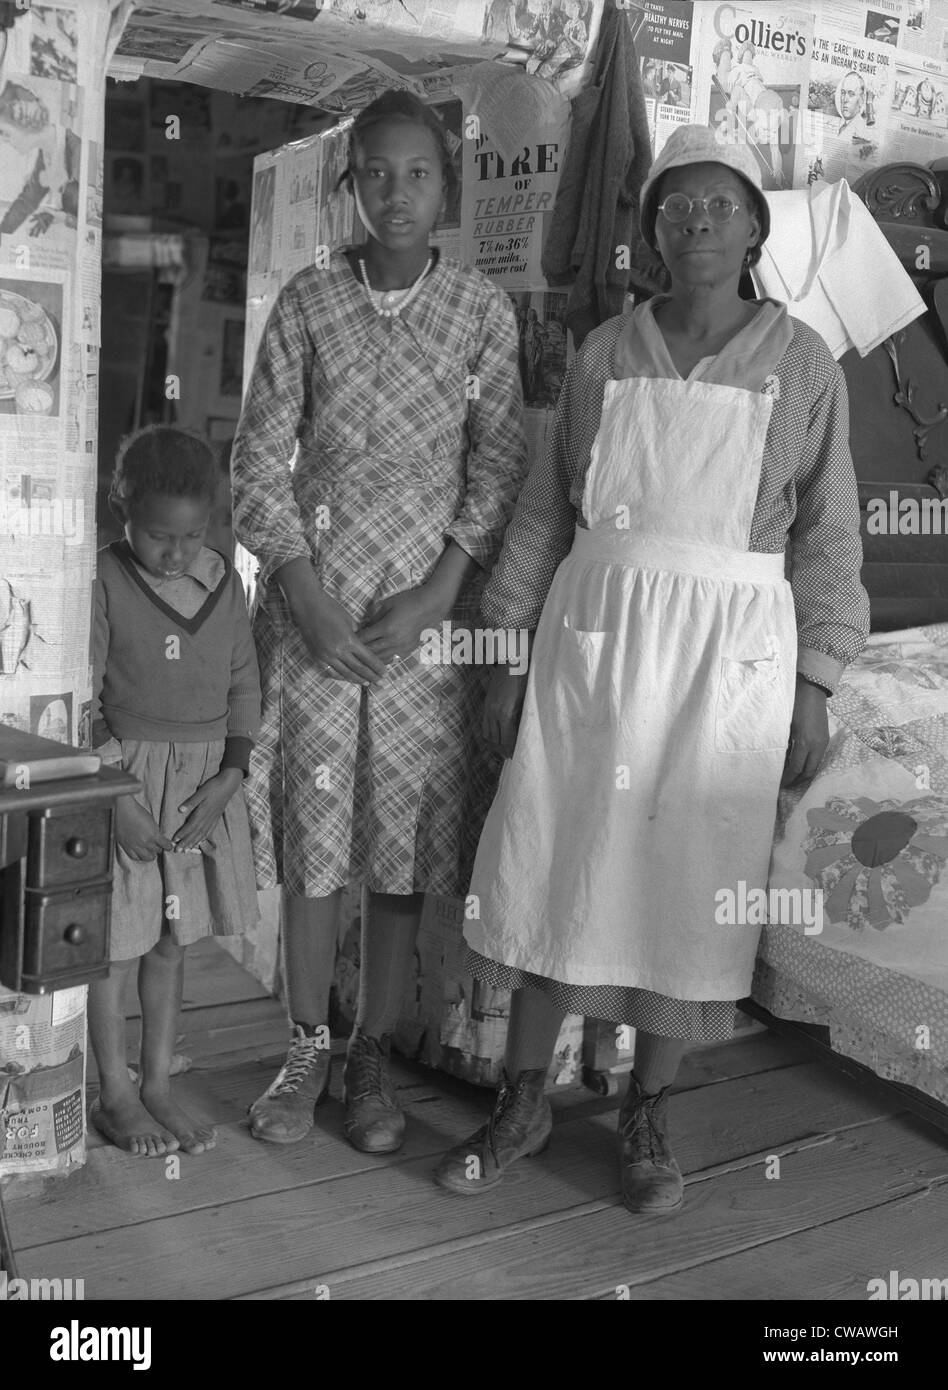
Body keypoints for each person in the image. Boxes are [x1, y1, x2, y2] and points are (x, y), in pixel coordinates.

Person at [435, 125, 870, 1215]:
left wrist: (816, 678)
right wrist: (504, 653)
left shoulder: (804, 365)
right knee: (559, 856)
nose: (697, 224)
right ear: (652, 231)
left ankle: (647, 1112)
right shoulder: (602, 354)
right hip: (598, 644)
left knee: (688, 879)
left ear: (755, 226)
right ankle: (523, 1099)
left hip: (729, 660)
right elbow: (544, 514)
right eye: (677, 209)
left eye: (719, 206)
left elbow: (829, 533)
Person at [231, 90, 527, 1154]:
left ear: (448, 188)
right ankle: (305, 1042)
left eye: (417, 174)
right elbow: (259, 462)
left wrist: (444, 589)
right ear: (347, 184)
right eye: (375, 173)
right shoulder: (308, 303)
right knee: (315, 837)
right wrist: (303, 596)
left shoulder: (483, 315)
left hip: (424, 626)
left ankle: (370, 1055)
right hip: (316, 616)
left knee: (400, 842)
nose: (394, 193)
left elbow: (498, 464)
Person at [88, 425, 262, 1157]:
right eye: (159, 536)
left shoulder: (224, 584)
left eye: (192, 537)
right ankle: (116, 1094)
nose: (176, 553)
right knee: (113, 947)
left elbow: (243, 681)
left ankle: (158, 1081)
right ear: (118, 508)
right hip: (124, 786)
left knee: (168, 939)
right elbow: (81, 695)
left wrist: (232, 774)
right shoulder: (101, 580)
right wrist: (115, 796)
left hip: (199, 792)